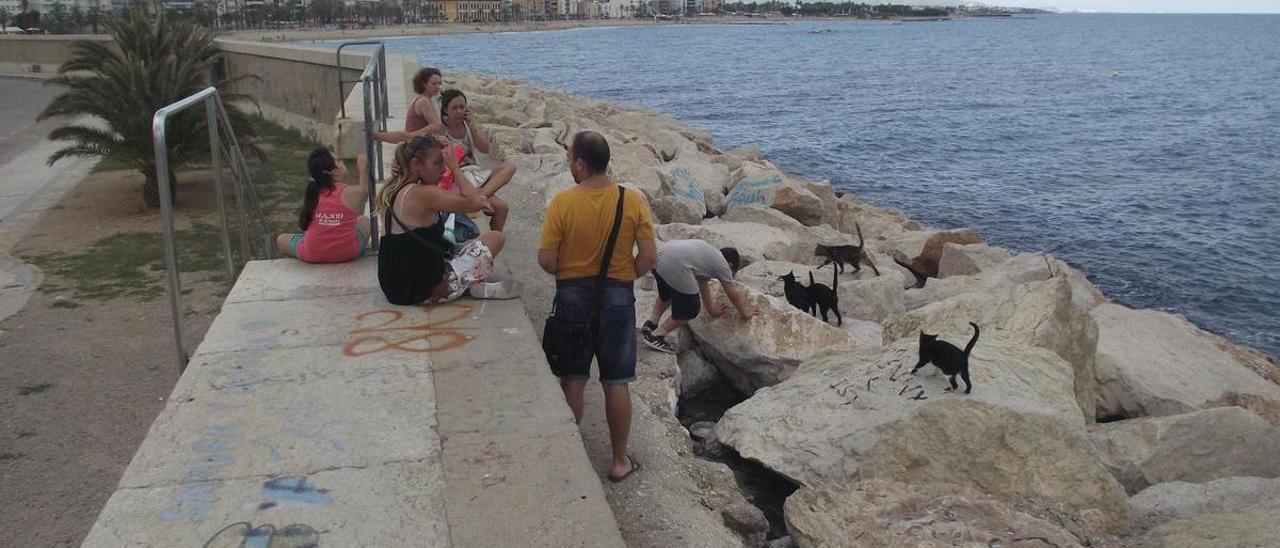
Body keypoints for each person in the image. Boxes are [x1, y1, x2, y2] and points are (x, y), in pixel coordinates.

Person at [538, 130, 656, 483]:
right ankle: (619, 460)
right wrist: (622, 277)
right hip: (619, 298)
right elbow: (648, 257)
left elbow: (546, 258)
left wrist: (571, 273)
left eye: (570, 159)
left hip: (572, 296)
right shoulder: (632, 200)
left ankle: (573, 460)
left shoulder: (562, 202)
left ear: (580, 163)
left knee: (573, 379)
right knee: (616, 381)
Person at [375, 135, 506, 306]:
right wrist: (454, 166)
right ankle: (467, 285)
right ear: (415, 164)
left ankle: (470, 281)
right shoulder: (425, 194)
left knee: (468, 243)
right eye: (437, 163)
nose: (443, 170)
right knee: (495, 239)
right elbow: (474, 202)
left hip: (395, 286)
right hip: (423, 290)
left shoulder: (396, 188)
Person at [375, 89, 515, 232]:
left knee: (510, 166)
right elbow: (407, 137)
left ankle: (482, 196)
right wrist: (378, 136)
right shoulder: (439, 129)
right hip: (455, 178)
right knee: (501, 207)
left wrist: (473, 126)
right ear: (445, 111)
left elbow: (485, 149)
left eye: (462, 107)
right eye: (454, 108)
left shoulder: (468, 126)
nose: (459, 111)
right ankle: (488, 236)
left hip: (475, 176)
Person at [640, 241, 759, 353]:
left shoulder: (708, 256)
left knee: (667, 293)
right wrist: (745, 313)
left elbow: (703, 284)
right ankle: (657, 336)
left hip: (659, 256)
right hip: (675, 263)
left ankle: (651, 324)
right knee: (691, 308)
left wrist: (711, 310)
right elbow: (734, 295)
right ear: (730, 265)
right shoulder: (723, 265)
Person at [276, 149, 371, 264]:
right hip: (346, 253)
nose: (342, 162)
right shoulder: (350, 193)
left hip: (312, 253)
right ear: (335, 171)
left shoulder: (313, 193)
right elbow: (365, 192)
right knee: (364, 221)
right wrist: (362, 169)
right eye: (339, 161)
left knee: (281, 239)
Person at [405, 67, 444, 133]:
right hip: (417, 141)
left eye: (439, 83)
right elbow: (437, 127)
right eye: (434, 84)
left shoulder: (424, 99)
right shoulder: (423, 101)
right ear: (424, 84)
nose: (437, 87)